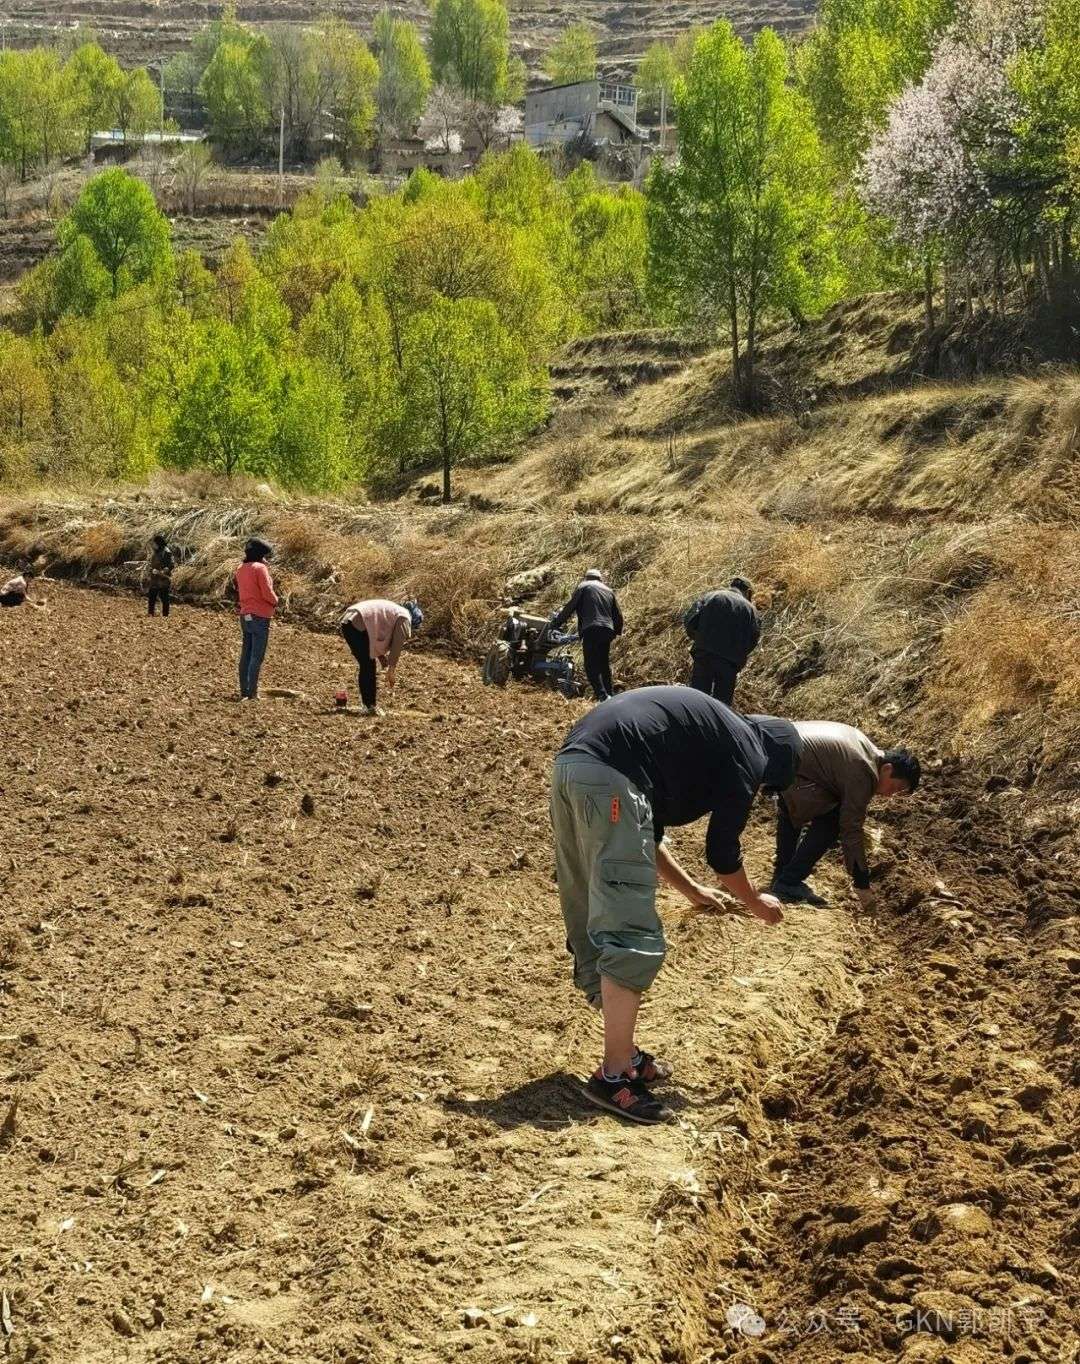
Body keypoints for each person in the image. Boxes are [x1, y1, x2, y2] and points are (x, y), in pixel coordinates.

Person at [550, 686, 802, 1125]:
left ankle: (625, 1055)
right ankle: (613, 1078)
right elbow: (722, 852)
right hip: (608, 778)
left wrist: (692, 892)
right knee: (630, 932)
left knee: (589, 911)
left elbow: (644, 835)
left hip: (572, 766)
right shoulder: (749, 757)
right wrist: (755, 902)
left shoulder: (709, 737)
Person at [771, 721, 921, 908]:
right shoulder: (864, 773)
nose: (890, 795)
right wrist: (861, 882)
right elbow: (851, 827)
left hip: (780, 750)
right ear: (888, 769)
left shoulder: (865, 747)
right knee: (834, 820)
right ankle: (788, 881)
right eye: (895, 787)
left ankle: (783, 875)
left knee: (806, 806)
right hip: (791, 768)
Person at [684, 576, 761, 706]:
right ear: (748, 592)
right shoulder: (751, 611)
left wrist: (700, 640)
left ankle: (694, 725)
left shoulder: (711, 596)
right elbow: (754, 638)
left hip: (704, 656)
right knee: (722, 706)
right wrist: (739, 654)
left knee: (697, 700)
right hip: (729, 663)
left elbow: (689, 621)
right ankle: (715, 726)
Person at [340, 598, 423, 716]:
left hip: (349, 621)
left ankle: (368, 705)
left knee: (367, 664)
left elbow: (374, 631)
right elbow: (397, 643)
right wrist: (391, 669)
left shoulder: (396, 611)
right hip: (357, 623)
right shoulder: (405, 618)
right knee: (368, 665)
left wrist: (381, 657)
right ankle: (369, 707)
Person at [551, 568, 624, 702]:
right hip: (607, 630)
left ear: (586, 577)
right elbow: (618, 616)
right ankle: (610, 696)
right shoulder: (609, 591)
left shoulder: (584, 586)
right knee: (603, 664)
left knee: (590, 665)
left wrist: (556, 623)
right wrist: (616, 632)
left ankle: (602, 696)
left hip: (591, 628)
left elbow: (570, 607)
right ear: (599, 579)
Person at [234, 538, 277, 701]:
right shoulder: (260, 568)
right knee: (257, 656)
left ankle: (244, 689)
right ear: (261, 554)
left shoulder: (240, 568)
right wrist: (275, 600)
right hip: (260, 615)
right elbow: (266, 592)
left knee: (246, 653)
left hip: (245, 615)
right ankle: (252, 692)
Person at [146, 534, 174, 617]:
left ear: (158, 543)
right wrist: (151, 569)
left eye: (154, 543)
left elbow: (170, 565)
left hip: (163, 580)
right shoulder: (157, 551)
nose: (153, 545)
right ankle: (150, 614)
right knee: (152, 596)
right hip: (154, 579)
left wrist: (162, 571)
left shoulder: (166, 552)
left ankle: (165, 615)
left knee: (164, 597)